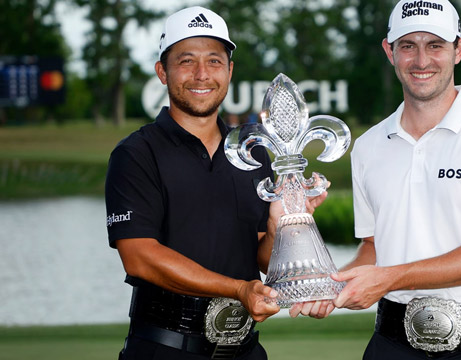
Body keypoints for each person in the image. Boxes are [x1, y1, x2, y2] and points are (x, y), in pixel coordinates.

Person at [299, 0, 461, 359]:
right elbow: (376, 248)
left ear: (459, 49)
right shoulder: (369, 146)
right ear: (389, 51)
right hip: (392, 344)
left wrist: (390, 278)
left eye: (435, 45)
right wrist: (332, 285)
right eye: (408, 46)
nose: (421, 60)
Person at [105, 6, 325, 359]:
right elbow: (140, 257)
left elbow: (265, 259)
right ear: (163, 72)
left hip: (244, 348)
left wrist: (280, 228)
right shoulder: (136, 154)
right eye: (186, 61)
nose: (201, 74)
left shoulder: (253, 151)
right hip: (164, 347)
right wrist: (239, 289)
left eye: (214, 61)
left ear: (230, 70)